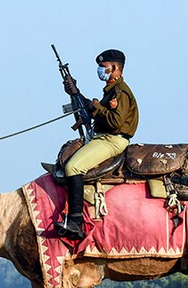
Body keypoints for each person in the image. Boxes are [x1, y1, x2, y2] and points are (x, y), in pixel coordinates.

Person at [59, 49, 139, 240]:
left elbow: (115, 122)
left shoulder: (121, 92)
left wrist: (97, 108)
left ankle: (76, 221)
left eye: (103, 67)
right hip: (103, 138)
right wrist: (76, 93)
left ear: (115, 68)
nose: (100, 70)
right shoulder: (110, 91)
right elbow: (95, 109)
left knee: (73, 166)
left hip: (112, 140)